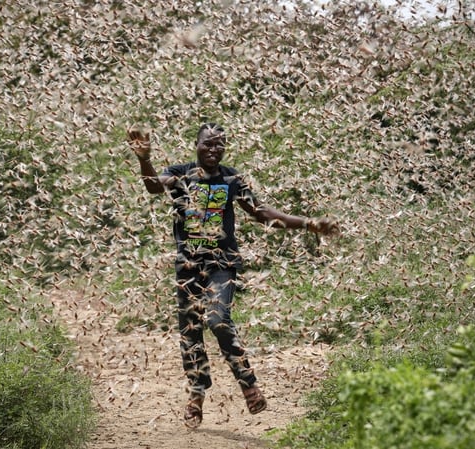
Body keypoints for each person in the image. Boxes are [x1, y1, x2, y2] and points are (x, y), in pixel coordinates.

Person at [127, 122, 338, 429]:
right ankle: (196, 395)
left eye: (219, 145)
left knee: (217, 319)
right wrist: (144, 158)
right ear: (196, 145)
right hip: (188, 265)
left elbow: (263, 214)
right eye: (207, 144)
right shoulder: (181, 173)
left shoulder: (232, 179)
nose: (213, 149)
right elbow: (153, 186)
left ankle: (248, 383)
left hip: (221, 264)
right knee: (190, 331)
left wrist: (308, 223)